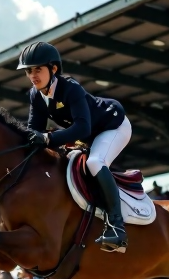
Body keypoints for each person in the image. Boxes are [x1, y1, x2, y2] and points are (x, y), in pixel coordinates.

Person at [17, 41, 132, 253]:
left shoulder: (70, 88)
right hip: (89, 135)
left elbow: (83, 128)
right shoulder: (36, 95)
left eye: (38, 69)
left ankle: (117, 226)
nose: (33, 75)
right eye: (29, 71)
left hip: (113, 126)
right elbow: (34, 131)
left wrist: (49, 139)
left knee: (96, 162)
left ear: (53, 69)